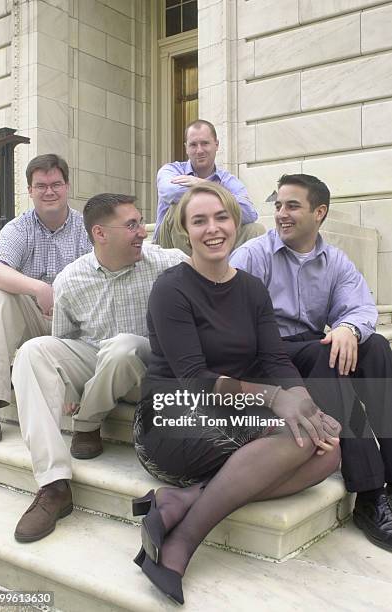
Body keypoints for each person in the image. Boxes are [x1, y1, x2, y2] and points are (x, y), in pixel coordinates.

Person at [132, 182, 340, 605]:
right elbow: (193, 378)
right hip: (174, 416)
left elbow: (276, 360)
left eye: (221, 217)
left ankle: (183, 499)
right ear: (184, 231)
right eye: (200, 220)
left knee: (329, 447)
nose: (213, 228)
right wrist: (274, 400)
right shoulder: (172, 288)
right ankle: (183, 542)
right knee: (295, 439)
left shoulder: (251, 288)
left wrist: (302, 399)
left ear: (235, 221)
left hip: (233, 412)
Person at [11, 193, 187, 543]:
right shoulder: (70, 280)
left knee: (124, 346)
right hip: (96, 361)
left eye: (141, 222)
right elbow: (65, 339)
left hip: (147, 368)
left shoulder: (168, 262)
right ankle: (53, 485)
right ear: (100, 233)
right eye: (132, 224)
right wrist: (66, 390)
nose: (142, 231)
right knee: (34, 351)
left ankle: (88, 423)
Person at [230, 173, 392, 552]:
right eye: (278, 205)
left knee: (377, 349)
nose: (281, 214)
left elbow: (362, 306)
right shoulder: (254, 254)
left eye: (292, 205)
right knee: (329, 355)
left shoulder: (334, 260)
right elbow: (233, 319)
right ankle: (369, 495)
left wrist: (349, 328)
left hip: (310, 346)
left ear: (319, 212)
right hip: (266, 355)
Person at [0, 154, 91, 442]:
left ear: (67, 186)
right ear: (30, 190)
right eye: (41, 185)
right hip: (35, 320)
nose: (49, 191)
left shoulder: (86, 228)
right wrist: (39, 288)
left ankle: (78, 384)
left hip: (75, 328)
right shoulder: (19, 228)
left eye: (56, 184)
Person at [154, 119, 264, 254]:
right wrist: (219, 195)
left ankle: (233, 273)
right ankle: (190, 271)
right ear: (186, 148)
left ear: (216, 145)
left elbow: (249, 214)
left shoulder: (228, 180)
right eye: (193, 145)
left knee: (255, 229)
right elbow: (171, 192)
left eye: (205, 143)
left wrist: (203, 184)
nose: (199, 150)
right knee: (179, 205)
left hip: (213, 237)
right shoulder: (171, 170)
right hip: (169, 245)